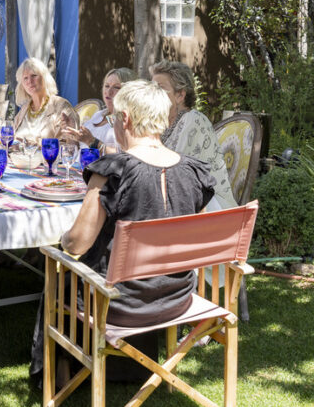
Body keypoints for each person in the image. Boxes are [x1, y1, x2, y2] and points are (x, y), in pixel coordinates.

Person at [29, 80, 215, 384]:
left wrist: (60, 243)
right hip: (177, 296)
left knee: (59, 272)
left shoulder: (113, 169)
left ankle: (60, 377)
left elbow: (77, 242)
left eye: (115, 117)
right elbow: (198, 239)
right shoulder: (194, 172)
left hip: (120, 304)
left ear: (125, 120)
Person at [150, 59, 236, 209]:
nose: (152, 93)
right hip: (180, 201)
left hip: (210, 207)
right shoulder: (161, 124)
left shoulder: (194, 120)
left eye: (159, 88)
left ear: (180, 95)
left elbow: (174, 173)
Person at [63, 67, 136, 150]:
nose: (108, 92)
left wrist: (92, 142)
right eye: (107, 86)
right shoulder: (98, 115)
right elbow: (75, 152)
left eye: (116, 87)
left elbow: (124, 156)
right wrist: (71, 127)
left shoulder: (128, 121)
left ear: (128, 92)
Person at [12, 57, 79, 142]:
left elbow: (70, 148)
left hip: (46, 155)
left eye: (34, 75)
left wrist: (33, 146)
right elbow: (11, 137)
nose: (30, 81)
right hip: (17, 155)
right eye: (25, 78)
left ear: (45, 78)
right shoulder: (24, 109)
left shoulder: (61, 106)